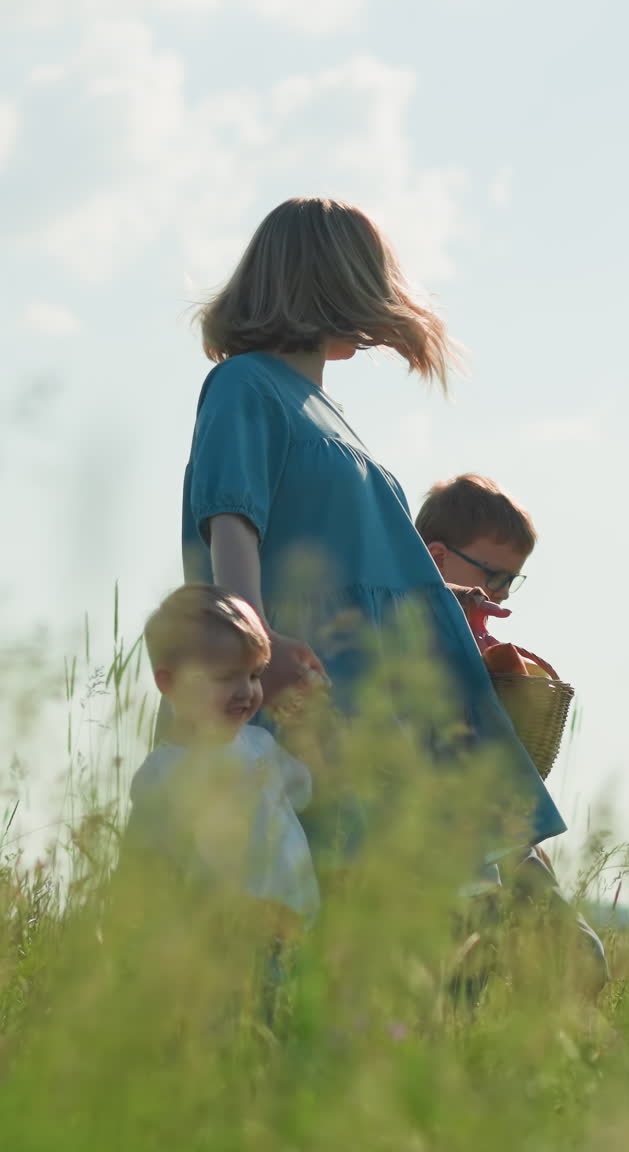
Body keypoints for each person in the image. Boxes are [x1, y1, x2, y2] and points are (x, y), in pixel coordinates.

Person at [159, 196, 566, 880]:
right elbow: (231, 520)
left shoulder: (325, 410)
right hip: (306, 695)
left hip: (374, 704)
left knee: (390, 927)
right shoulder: (245, 384)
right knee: (298, 910)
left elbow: (356, 551)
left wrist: (446, 596)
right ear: (332, 280)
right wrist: (255, 653)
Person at [415, 473, 608, 992]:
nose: (500, 593)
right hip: (449, 834)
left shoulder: (481, 638)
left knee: (583, 957)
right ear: (435, 558)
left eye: (511, 580)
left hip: (495, 828)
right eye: (494, 576)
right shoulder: (408, 633)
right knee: (464, 960)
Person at [127, 584, 320, 928]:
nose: (246, 691)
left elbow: (304, 791)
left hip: (291, 933)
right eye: (226, 678)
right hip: (218, 940)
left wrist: (305, 730)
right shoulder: (162, 773)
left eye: (254, 675)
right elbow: (143, 867)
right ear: (170, 683)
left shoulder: (261, 746)